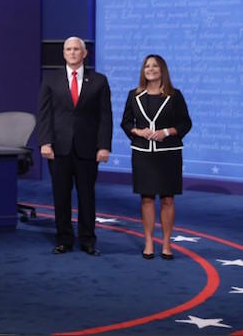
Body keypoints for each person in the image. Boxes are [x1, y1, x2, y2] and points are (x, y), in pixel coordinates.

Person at [36, 36, 112, 256]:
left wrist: (103, 146)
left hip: (88, 149)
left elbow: (105, 116)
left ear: (84, 53)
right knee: (61, 195)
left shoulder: (99, 81)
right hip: (58, 148)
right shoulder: (51, 80)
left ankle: (88, 240)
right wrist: (44, 142)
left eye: (76, 49)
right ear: (63, 53)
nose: (72, 53)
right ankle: (64, 239)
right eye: (68, 49)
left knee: (87, 196)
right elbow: (44, 114)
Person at [120, 54, 191, 260]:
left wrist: (167, 132)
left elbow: (185, 123)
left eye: (155, 66)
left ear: (162, 70)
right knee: (147, 199)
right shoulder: (134, 95)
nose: (150, 69)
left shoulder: (174, 95)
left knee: (167, 199)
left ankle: (167, 243)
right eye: (147, 66)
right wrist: (138, 132)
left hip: (168, 154)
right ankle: (149, 241)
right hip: (143, 154)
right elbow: (126, 123)